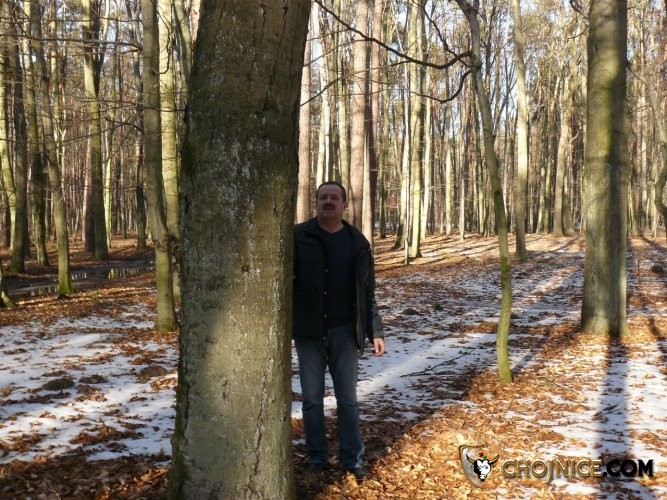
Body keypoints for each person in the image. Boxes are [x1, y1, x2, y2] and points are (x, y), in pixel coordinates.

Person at [292, 181, 385, 480]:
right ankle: (317, 459)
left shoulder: (358, 243)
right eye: (323, 197)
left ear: (345, 204)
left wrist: (375, 331)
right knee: (311, 400)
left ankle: (352, 460)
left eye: (334, 197)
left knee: (348, 400)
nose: (328, 202)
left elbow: (367, 292)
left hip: (345, 333)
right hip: (308, 333)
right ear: (316, 202)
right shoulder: (298, 237)